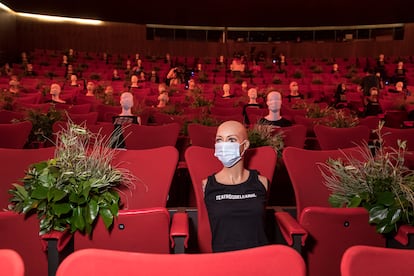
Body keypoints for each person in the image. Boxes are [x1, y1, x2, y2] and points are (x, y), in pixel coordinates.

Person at [203, 120, 269, 252]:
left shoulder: (261, 182)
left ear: (245, 146)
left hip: (260, 259)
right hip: (224, 262)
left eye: (231, 140)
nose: (224, 145)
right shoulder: (206, 185)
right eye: (219, 140)